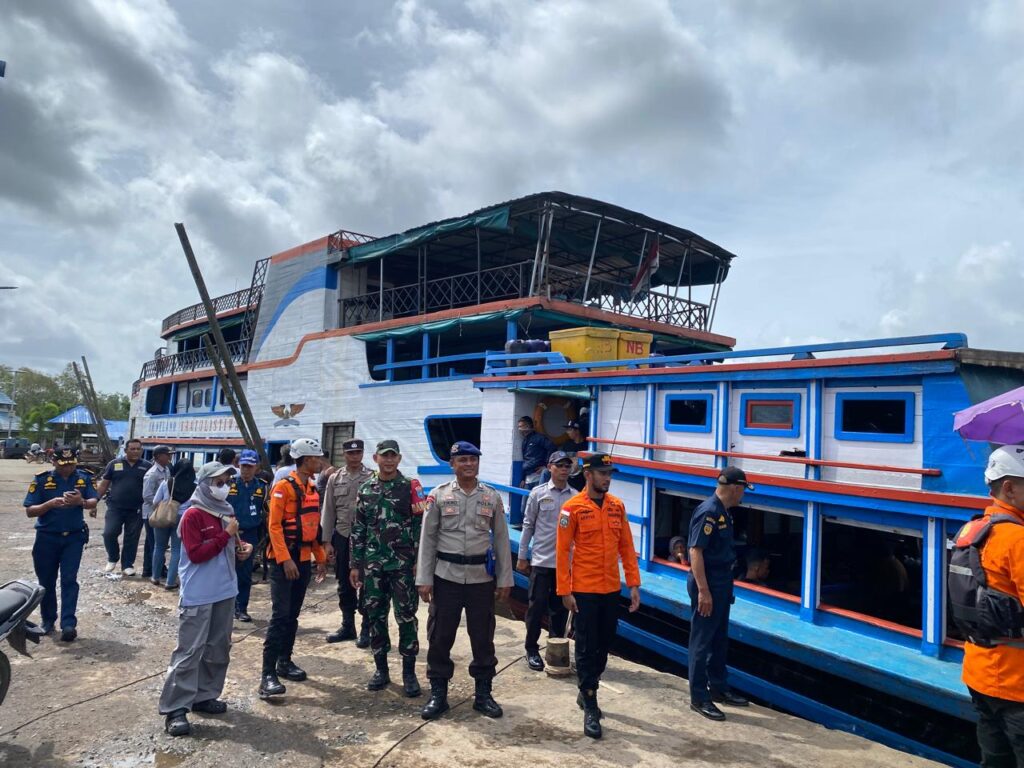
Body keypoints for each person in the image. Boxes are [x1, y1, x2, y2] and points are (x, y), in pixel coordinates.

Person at [417, 441, 513, 721]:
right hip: (445, 576)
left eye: (473, 459)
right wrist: (424, 579)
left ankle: (483, 694)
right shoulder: (439, 496)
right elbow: (428, 539)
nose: (469, 464)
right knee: (440, 636)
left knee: (483, 637)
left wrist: (505, 579)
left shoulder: (491, 497)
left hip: (481, 578)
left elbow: (502, 540)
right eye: (463, 460)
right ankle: (438, 694)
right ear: (452, 464)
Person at [158, 461, 252, 737]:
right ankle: (175, 709)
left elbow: (231, 545)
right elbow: (197, 554)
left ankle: (204, 695)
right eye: (219, 482)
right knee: (189, 651)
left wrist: (242, 548)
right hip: (199, 593)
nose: (225, 487)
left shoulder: (226, 511)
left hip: (225, 590)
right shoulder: (192, 515)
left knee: (218, 648)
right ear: (205, 484)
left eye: (227, 482)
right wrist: (226, 535)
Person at [556, 453, 641, 739]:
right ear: (588, 475)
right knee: (586, 644)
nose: (607, 478)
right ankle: (590, 700)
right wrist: (564, 590)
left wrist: (634, 584)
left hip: (610, 589)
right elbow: (563, 551)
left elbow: (627, 547)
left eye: (609, 474)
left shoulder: (617, 507)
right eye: (603, 473)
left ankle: (589, 685)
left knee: (605, 643)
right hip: (584, 590)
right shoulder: (572, 508)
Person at [959, 446, 1024, 766]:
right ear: (1010, 489)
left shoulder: (972, 530)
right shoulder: (1018, 540)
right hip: (1017, 681)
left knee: (994, 759)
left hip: (978, 672)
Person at [350, 440, 424, 696]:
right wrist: (355, 565)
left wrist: (418, 563)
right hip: (373, 567)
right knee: (375, 617)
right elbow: (358, 529)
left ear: (399, 459)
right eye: (384, 456)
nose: (389, 460)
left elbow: (419, 527)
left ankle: (409, 673)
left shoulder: (410, 487)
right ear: (376, 458)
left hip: (403, 566)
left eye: (393, 456)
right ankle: (381, 669)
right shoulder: (366, 489)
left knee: (406, 617)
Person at [259, 437, 328, 699]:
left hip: (302, 559)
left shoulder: (311, 488)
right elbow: (274, 526)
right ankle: (267, 675)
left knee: (293, 615)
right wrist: (284, 559)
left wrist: (319, 557)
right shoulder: (283, 488)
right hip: (283, 562)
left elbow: (312, 528)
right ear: (305, 460)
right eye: (316, 458)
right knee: (280, 615)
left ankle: (285, 662)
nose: (320, 462)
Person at [687, 466, 752, 722]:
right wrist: (704, 591)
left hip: (722, 583)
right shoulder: (709, 512)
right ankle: (699, 696)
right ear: (735, 488)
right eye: (743, 490)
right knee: (702, 640)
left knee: (719, 638)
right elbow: (695, 552)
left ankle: (719, 687)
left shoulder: (724, 512)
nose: (744, 495)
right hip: (709, 584)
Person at [23, 447, 98, 641]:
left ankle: (68, 624)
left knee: (69, 579)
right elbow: (30, 510)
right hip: (47, 537)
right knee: (46, 581)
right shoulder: (42, 479)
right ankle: (48, 621)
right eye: (63, 465)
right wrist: (49, 504)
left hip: (73, 538)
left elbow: (93, 501)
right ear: (53, 461)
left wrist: (80, 502)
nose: (68, 468)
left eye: (72, 464)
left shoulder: (83, 477)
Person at [517, 450, 574, 671]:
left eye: (567, 466)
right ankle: (531, 649)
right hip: (541, 561)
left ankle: (555, 649)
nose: (563, 469)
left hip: (564, 565)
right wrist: (523, 556)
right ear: (550, 467)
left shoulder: (576, 497)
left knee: (559, 609)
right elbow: (528, 525)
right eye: (559, 465)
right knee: (536, 606)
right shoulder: (538, 494)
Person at [321, 439, 373, 645]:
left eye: (358, 452)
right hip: (342, 536)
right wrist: (326, 541)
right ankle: (347, 626)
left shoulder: (372, 477)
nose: (354, 456)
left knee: (368, 583)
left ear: (362, 454)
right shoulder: (335, 478)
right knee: (344, 584)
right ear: (344, 454)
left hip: (367, 538)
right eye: (351, 453)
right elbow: (328, 511)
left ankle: (366, 629)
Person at [96, 438, 152, 576]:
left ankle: (127, 564)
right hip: (115, 507)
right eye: (132, 449)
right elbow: (104, 484)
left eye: (138, 449)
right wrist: (94, 501)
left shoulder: (147, 466)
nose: (136, 451)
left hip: (137, 509)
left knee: (132, 537)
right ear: (126, 450)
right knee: (109, 533)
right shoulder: (114, 464)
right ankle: (113, 557)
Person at [228, 449, 268, 622]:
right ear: (238, 465)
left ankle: (241, 608)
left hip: (250, 535)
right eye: (243, 466)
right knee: (226, 572)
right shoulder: (229, 484)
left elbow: (267, 511)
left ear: (257, 467)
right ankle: (226, 608)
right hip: (228, 533)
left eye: (250, 467)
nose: (246, 470)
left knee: (244, 573)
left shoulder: (262, 486)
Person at [142, 445, 173, 581]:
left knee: (152, 543)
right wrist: (162, 504)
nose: (170, 457)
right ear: (159, 456)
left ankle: (149, 569)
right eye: (167, 454)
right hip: (152, 513)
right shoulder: (152, 473)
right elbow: (147, 495)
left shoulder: (166, 470)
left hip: (160, 513)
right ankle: (158, 569)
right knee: (155, 543)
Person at [518, 416, 555, 490]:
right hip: (528, 479)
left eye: (521, 426)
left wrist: (545, 465)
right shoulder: (524, 441)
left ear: (527, 426)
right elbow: (525, 460)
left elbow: (552, 448)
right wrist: (523, 478)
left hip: (538, 477)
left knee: (537, 499)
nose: (519, 429)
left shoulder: (539, 438)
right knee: (525, 501)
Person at [562, 420, 588, 492]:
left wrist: (578, 461)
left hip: (581, 480)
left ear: (577, 431)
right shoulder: (566, 445)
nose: (567, 432)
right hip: (567, 479)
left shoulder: (587, 447)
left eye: (570, 430)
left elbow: (587, 465)